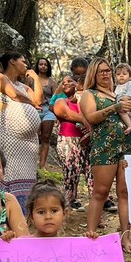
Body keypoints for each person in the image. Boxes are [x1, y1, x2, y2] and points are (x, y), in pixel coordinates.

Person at [81, 57, 131, 253]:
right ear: (93, 73)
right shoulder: (88, 94)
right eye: (101, 71)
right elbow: (91, 117)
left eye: (108, 70)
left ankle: (126, 237)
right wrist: (113, 109)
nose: (106, 73)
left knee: (125, 193)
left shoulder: (119, 93)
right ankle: (91, 236)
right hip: (104, 147)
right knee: (100, 191)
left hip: (127, 146)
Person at [0, 52, 42, 214]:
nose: (26, 65)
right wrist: (31, 103)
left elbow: (39, 101)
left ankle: (23, 217)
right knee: (8, 174)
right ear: (12, 62)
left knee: (26, 177)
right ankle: (4, 217)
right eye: (23, 61)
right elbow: (14, 95)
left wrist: (36, 79)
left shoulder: (24, 86)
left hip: (28, 143)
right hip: (7, 136)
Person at [51, 75, 91, 211]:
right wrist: (88, 119)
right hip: (68, 139)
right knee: (71, 171)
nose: (65, 84)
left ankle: (99, 200)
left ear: (78, 84)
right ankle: (70, 200)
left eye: (69, 81)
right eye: (63, 82)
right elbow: (67, 114)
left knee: (91, 171)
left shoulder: (85, 100)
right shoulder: (61, 101)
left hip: (87, 140)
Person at [29, 57, 57, 169]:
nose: (43, 66)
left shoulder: (52, 82)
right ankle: (31, 163)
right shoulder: (30, 79)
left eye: (45, 64)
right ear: (37, 66)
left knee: (46, 137)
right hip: (34, 109)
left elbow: (56, 99)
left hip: (48, 111)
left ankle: (42, 165)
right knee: (33, 136)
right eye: (41, 64)